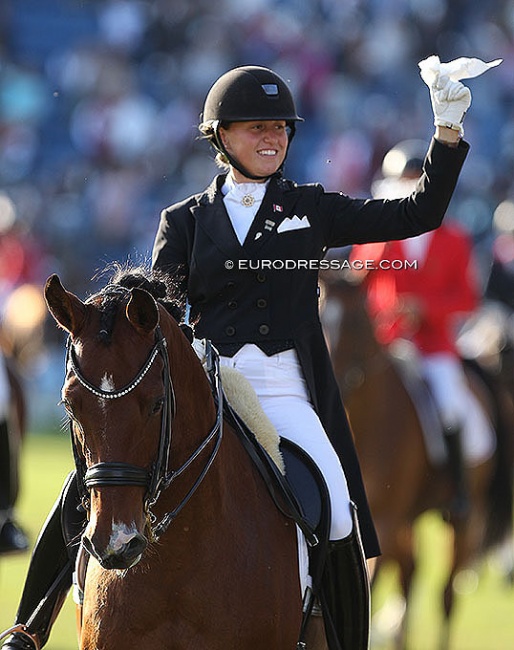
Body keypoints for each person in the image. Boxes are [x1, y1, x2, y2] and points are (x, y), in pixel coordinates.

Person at [1, 58, 479, 650]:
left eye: (280, 128)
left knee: (335, 509)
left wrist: (447, 132)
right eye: (258, 127)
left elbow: (417, 213)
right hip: (207, 382)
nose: (272, 138)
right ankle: (30, 624)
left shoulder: (310, 207)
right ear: (222, 137)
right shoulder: (184, 221)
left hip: (283, 390)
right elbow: (157, 312)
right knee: (86, 485)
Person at [351, 139, 495, 521]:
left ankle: (458, 491)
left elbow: (467, 299)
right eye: (404, 180)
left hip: (433, 346)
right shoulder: (377, 234)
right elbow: (356, 287)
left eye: (416, 180)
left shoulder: (454, 238)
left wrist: (424, 308)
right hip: (385, 346)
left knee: (450, 404)